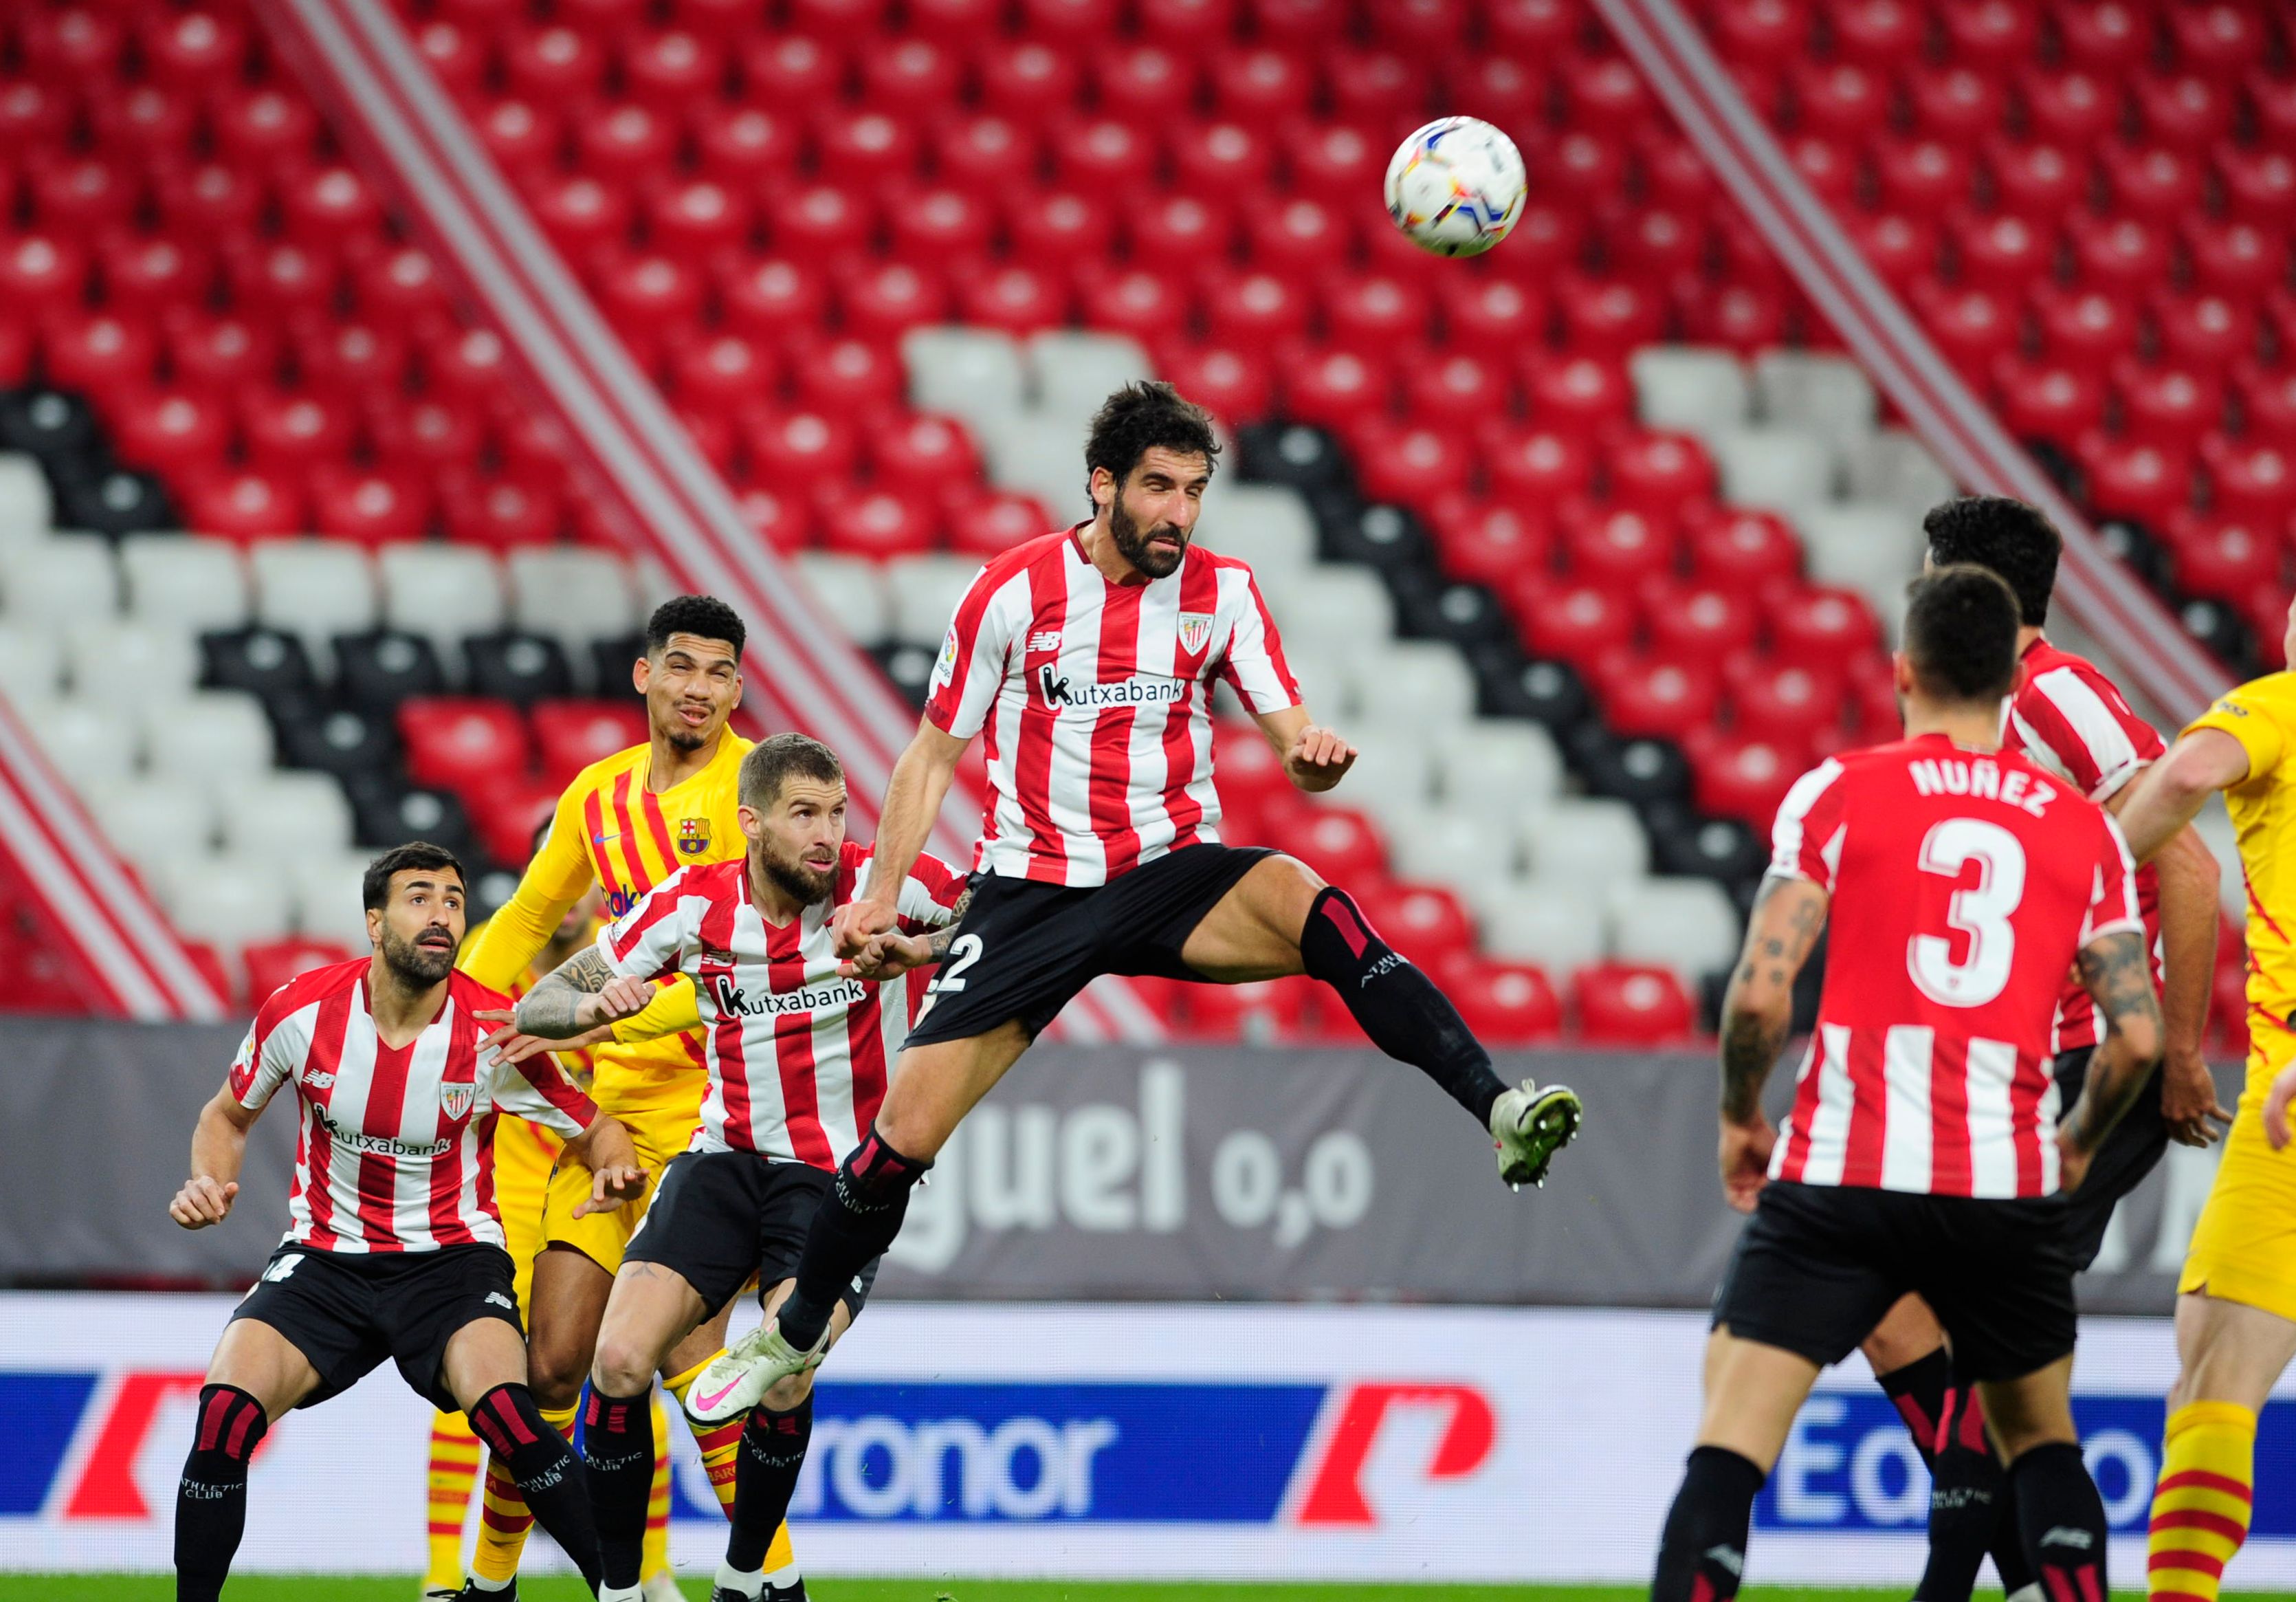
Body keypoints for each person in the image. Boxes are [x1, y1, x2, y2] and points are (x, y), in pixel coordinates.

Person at [687, 380, 1584, 1422]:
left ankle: (1498, 1105)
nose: (1179, 512)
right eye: (1158, 487)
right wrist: (880, 894)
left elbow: (1290, 730)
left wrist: (1315, 757)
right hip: (1030, 889)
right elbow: (933, 755)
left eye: (1195, 490)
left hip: (1167, 870)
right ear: (1103, 486)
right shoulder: (1013, 591)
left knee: (1320, 907)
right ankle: (789, 1341)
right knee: (899, 1139)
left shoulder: (1226, 592)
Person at [1651, 566, 2164, 1602]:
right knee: (2042, 1448)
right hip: (2003, 1180)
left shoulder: (1841, 788)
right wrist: (2071, 1144)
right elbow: (2140, 1041)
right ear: (2012, 689)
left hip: (1842, 1169)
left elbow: (1758, 997)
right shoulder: (2083, 830)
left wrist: (1742, 1117)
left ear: (1903, 672)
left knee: (1731, 1442)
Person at [1855, 496, 2226, 1602]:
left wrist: (2181, 1052)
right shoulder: (1985, 713)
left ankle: (1962, 1579)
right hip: (2020, 1074)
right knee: (1893, 1308)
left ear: (1975, 591)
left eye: (1928, 574)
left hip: (2097, 1071)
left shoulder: (2062, 697)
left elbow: (2191, 870)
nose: (1915, 595)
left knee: (1982, 1333)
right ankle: (2029, 1567)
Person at [510, 733, 969, 1602]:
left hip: (843, 1178)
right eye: (804, 814)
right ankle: (618, 1591)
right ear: (751, 822)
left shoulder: (887, 886)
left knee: (786, 1369)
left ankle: (742, 1576)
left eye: (837, 810)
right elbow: (540, 1000)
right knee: (614, 1360)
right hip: (723, 1162)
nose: (828, 833)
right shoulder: (692, 903)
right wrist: (588, 1001)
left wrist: (923, 952)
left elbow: (1009, 925)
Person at [167, 844, 645, 1602]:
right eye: (419, 897)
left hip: (452, 1264)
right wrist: (208, 1179)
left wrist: (616, 1168)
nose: (441, 914)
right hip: (324, 1260)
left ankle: (621, 1593)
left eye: (454, 900)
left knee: (515, 1422)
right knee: (223, 1415)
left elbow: (595, 1127)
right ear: (374, 921)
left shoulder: (493, 1029)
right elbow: (226, 1115)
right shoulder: (300, 1010)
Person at [456, 595, 804, 1593]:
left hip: (725, 1115)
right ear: (645, 675)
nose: (701, 687)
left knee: (698, 1367)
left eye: (721, 672)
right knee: (553, 1365)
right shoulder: (597, 796)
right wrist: (460, 1009)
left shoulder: (762, 789)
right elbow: (526, 919)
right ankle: (488, 1582)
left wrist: (605, 1018)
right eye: (683, 666)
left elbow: (764, 957)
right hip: (610, 1119)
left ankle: (767, 1580)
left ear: (740, 688)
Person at [422, 826, 696, 1601]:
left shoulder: (637, 951)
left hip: (604, 1177)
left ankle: (649, 1569)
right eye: (560, 875)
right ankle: (447, 1576)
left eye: (586, 878)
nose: (574, 892)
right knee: (483, 1376)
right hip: (508, 1190)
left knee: (628, 1367)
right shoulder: (491, 953)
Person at [2110, 591, 2296, 1602]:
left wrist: (2090, 875)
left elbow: (2185, 770)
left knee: (2216, 1379)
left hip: (2291, 1100)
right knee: (2211, 1375)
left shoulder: (2278, 706)